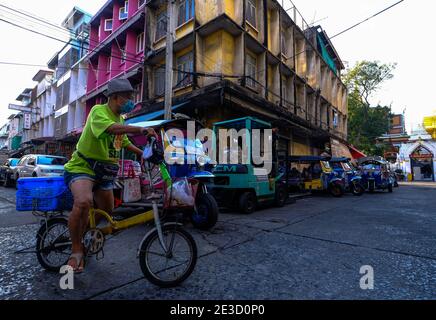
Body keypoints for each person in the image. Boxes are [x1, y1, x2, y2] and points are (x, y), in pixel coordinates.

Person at [63, 78, 155, 273]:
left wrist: (142, 153)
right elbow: (111, 130)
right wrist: (140, 129)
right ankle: (76, 250)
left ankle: (85, 234)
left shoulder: (121, 119)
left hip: (103, 173)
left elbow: (120, 141)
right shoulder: (98, 112)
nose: (131, 101)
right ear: (115, 97)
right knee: (83, 202)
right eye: (128, 98)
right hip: (82, 167)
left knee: (108, 211)